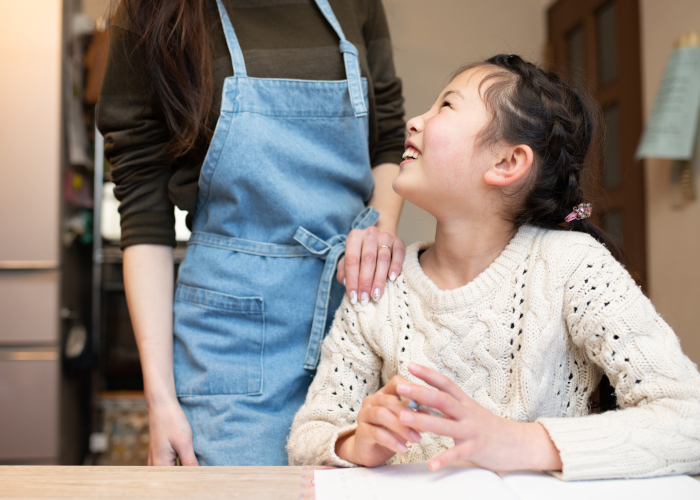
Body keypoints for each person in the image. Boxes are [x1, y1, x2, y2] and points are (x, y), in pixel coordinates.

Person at [287, 54, 700, 480]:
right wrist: (355, 442)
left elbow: (690, 420)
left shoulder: (574, 268)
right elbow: (307, 438)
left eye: (446, 106)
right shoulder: (378, 285)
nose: (413, 121)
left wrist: (516, 443)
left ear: (506, 163)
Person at [97, 0, 407, 466]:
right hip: (231, 338)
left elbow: (388, 139)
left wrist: (377, 238)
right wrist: (160, 400)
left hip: (354, 313)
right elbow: (142, 207)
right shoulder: (148, 11)